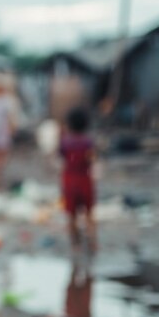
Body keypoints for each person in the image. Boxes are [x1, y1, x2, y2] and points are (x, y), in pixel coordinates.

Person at [59, 107, 97, 253]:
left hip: (69, 179)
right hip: (84, 179)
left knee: (72, 214)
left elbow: (61, 156)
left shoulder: (65, 142)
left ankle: (75, 244)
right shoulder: (87, 142)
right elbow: (92, 159)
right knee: (89, 213)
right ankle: (92, 241)